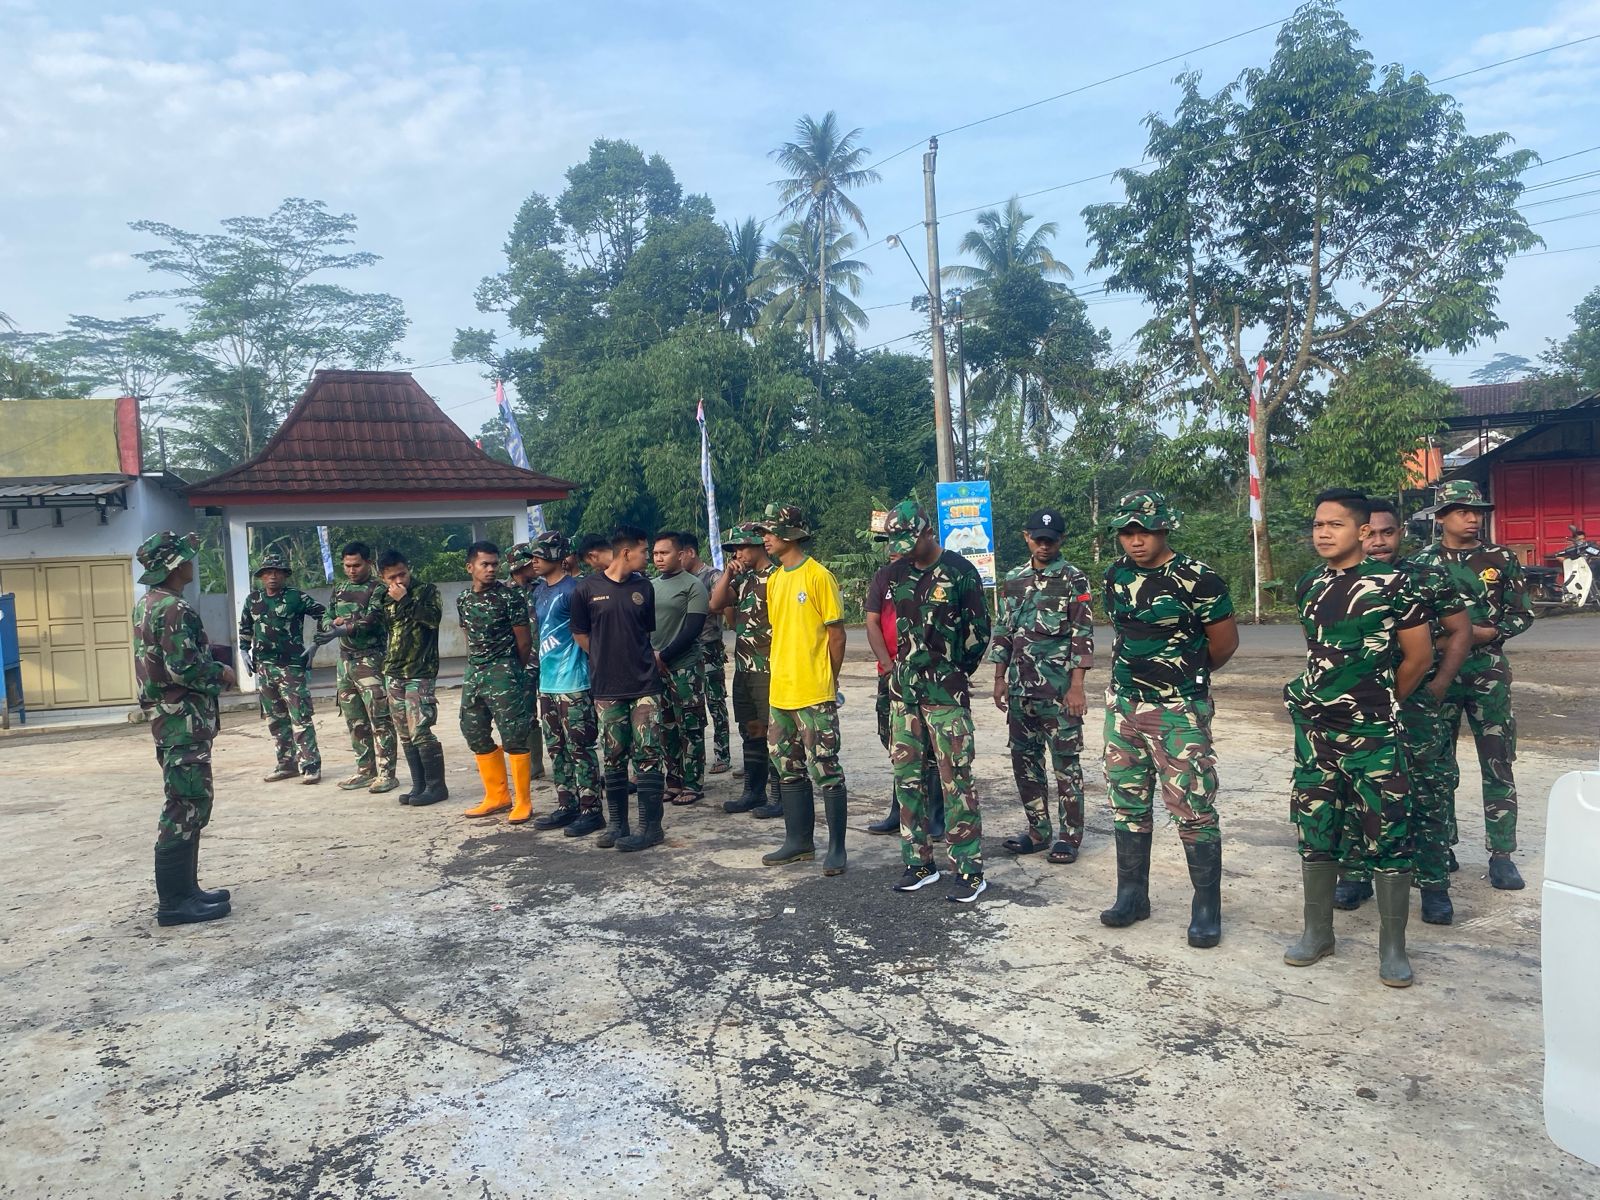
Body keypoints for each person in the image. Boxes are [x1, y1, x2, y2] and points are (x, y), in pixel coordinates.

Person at [1283, 489, 1433, 988]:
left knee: (1388, 834)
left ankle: (1393, 948)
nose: (1323, 533)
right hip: (1317, 734)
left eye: (1336, 525)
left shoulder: (1395, 584)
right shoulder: (1308, 584)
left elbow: (1419, 657)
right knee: (1316, 829)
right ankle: (1317, 933)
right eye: (1318, 524)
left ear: (1363, 532)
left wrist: (1382, 702)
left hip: (1375, 735)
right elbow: (1319, 653)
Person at [1099, 489, 1238, 948]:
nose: (1135, 541)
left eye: (1144, 531)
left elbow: (1224, 644)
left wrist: (1185, 677)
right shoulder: (1116, 575)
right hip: (1124, 706)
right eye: (1127, 532)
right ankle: (1132, 896)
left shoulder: (1198, 578)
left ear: (1164, 528)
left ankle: (1206, 908)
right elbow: (1123, 630)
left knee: (1193, 806)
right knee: (1127, 801)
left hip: (1178, 709)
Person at [1338, 500, 1472, 923]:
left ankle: (1433, 884)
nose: (1379, 542)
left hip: (1414, 705)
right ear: (1358, 533)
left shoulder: (1426, 578)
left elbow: (1461, 629)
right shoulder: (1337, 579)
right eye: (1371, 533)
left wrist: (1440, 684)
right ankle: (1355, 874)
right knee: (1356, 789)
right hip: (1358, 705)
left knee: (1429, 791)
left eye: (1388, 532)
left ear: (1400, 533)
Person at [1410, 479, 1535, 891]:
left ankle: (1502, 854)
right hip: (1439, 672)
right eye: (1463, 511)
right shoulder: (1422, 563)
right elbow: (1412, 619)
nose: (1473, 518)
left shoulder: (1500, 558)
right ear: (1441, 517)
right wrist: (1444, 639)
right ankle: (1441, 844)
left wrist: (1490, 632)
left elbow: (1523, 614)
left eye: (1477, 511)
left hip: (1488, 672)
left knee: (1498, 760)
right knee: (1437, 762)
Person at [880, 501, 992, 903]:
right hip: (904, 694)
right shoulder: (897, 572)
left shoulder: (961, 571)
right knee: (907, 779)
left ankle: (969, 869)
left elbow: (979, 632)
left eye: (910, 541)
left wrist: (954, 672)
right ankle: (919, 863)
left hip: (946, 695)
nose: (904, 550)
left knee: (955, 780)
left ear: (929, 532)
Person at [133, 531, 235, 926]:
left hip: (172, 717)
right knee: (185, 803)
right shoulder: (174, 608)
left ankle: (187, 890)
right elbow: (183, 668)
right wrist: (222, 672)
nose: (192, 562)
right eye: (187, 558)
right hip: (182, 719)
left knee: (190, 800)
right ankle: (175, 902)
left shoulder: (148, 604)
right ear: (175, 566)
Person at [991, 508, 1094, 865]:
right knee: (1025, 763)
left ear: (1060, 540)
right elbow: (1004, 630)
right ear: (1027, 537)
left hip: (1059, 692)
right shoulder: (1014, 579)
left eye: (1051, 540)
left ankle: (1069, 837)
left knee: (1066, 765)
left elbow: (1083, 635)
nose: (1044, 546)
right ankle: (1038, 831)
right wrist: (999, 678)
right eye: (1038, 539)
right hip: (1020, 690)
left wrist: (1077, 686)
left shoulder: (1073, 579)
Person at [754, 503, 849, 876]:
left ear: (789, 534)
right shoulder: (775, 579)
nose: (765, 538)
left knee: (825, 767)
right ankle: (799, 842)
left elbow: (836, 635)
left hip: (813, 692)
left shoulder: (818, 576)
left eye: (770, 531)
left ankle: (837, 849)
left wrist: (829, 678)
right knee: (787, 767)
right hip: (781, 692)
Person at [571, 526, 667, 852]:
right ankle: (617, 824)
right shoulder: (586, 590)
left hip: (644, 684)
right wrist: (604, 656)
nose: (648, 557)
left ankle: (650, 827)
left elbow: (645, 632)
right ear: (627, 552)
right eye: (644, 551)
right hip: (607, 686)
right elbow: (581, 635)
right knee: (613, 754)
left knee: (648, 753)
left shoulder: (644, 587)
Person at [863, 542, 946, 839]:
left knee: (932, 746)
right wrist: (887, 665)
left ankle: (936, 816)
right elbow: (871, 621)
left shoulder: (934, 575)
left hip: (928, 674)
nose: (893, 549)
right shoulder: (883, 577)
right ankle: (899, 812)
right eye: (889, 543)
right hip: (891, 674)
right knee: (897, 743)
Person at [525, 531, 604, 837]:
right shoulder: (539, 591)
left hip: (574, 682)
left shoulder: (577, 590)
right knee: (556, 748)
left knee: (580, 748)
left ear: (557, 556)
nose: (534, 561)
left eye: (539, 555)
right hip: (547, 683)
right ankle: (566, 803)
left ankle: (591, 809)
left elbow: (590, 635)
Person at [455, 541, 537, 824]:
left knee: (514, 733)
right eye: (484, 564)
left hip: (503, 670)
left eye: (494, 564)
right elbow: (468, 634)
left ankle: (523, 800)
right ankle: (497, 795)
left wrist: (512, 670)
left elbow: (524, 641)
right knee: (473, 730)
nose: (491, 569)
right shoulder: (464, 599)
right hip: (474, 672)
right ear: (470, 567)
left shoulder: (509, 597)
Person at [710, 523, 781, 816]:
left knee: (773, 731)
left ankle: (779, 796)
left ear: (758, 545)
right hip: (744, 666)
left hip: (769, 667)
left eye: (741, 547)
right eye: (733, 549)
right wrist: (728, 573)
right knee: (750, 729)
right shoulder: (743, 580)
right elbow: (715, 603)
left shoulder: (777, 577)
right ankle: (753, 792)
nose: (737, 554)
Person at [240, 549, 325, 785]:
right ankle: (286, 764)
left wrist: (317, 643)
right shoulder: (253, 600)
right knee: (275, 718)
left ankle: (310, 765)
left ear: (285, 575)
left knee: (300, 716)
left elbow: (324, 614)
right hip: (264, 668)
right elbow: (245, 628)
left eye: (277, 572)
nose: (273, 576)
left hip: (291, 666)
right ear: (261, 576)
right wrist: (243, 651)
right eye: (268, 572)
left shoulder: (296, 598)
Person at [325, 541, 398, 794]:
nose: (351, 570)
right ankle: (365, 771)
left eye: (356, 565)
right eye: (347, 566)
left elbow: (373, 619)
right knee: (355, 719)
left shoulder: (379, 588)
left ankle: (387, 773)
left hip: (370, 660)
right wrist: (331, 624)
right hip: (345, 661)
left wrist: (344, 625)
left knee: (380, 718)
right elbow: (327, 615)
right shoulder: (340, 588)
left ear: (368, 562)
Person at [378, 549, 447, 806]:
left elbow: (433, 620)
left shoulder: (427, 591)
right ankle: (419, 785)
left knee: (420, 730)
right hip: (393, 672)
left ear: (409, 569)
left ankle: (436, 787)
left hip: (420, 672)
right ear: (383, 578)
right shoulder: (383, 598)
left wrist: (405, 600)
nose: (399, 581)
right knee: (405, 733)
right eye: (392, 577)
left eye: (402, 574)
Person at [651, 532, 710, 805]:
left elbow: (692, 628)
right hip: (656, 667)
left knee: (690, 725)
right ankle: (672, 781)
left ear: (680, 554)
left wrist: (664, 655)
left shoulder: (693, 585)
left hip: (685, 666)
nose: (658, 558)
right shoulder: (650, 586)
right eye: (655, 553)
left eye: (664, 553)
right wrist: (652, 656)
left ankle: (693, 783)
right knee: (666, 727)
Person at [684, 532, 733, 775]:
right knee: (691, 706)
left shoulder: (712, 576)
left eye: (680, 554)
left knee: (715, 703)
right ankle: (695, 756)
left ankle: (722, 754)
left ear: (690, 552)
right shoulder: (679, 579)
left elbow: (722, 605)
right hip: (686, 649)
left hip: (709, 646)